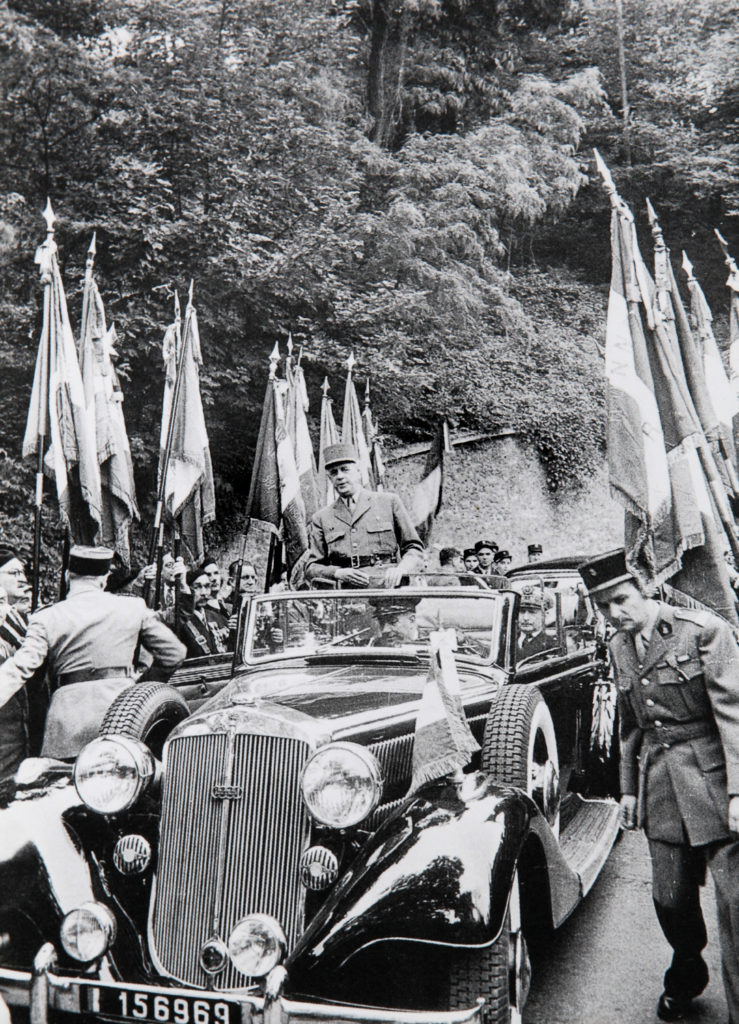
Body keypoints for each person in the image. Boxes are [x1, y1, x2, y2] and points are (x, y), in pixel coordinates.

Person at [579, 549, 739, 1024]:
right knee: (670, 898)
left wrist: (738, 792)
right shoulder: (618, 646)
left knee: (735, 910)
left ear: (645, 586)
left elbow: (733, 716)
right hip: (661, 785)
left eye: (622, 600)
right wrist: (628, 788)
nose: (614, 613)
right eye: (603, 606)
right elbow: (630, 725)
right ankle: (688, 971)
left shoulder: (704, 632)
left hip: (713, 781)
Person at [0, 546, 186, 760]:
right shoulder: (132, 607)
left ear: (68, 576)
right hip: (124, 713)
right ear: (104, 578)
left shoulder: (46, 617)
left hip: (67, 721)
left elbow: (21, 668)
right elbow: (174, 653)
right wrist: (140, 685)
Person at [304, 443, 424, 588]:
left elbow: (414, 549)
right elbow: (311, 567)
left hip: (388, 590)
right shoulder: (321, 518)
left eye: (345, 470)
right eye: (334, 472)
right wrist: (337, 573)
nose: (340, 476)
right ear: (330, 479)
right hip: (345, 597)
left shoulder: (389, 502)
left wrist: (401, 569)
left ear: (359, 471)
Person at [0, 546, 31, 779]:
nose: (22, 579)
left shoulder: (17, 618)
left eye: (23, 573)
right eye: (14, 573)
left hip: (20, 730)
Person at [178, 566, 230, 657]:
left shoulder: (218, 617)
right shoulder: (180, 620)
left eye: (207, 586)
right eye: (197, 587)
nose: (204, 592)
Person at [516, 585, 556, 660]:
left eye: (532, 612)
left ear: (545, 615)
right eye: (521, 611)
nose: (525, 618)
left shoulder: (552, 645)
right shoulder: (507, 639)